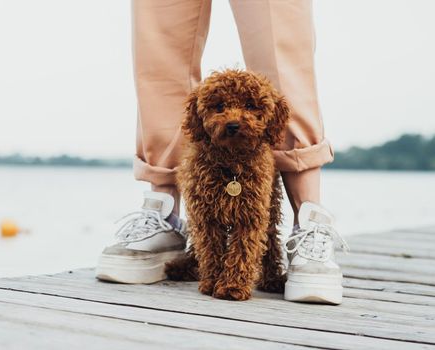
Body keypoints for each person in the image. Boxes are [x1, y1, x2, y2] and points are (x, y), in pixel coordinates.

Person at [96, 0, 347, 304]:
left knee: (281, 37)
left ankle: (309, 220)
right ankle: (164, 212)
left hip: (256, 161)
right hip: (205, 161)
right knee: (159, 46)